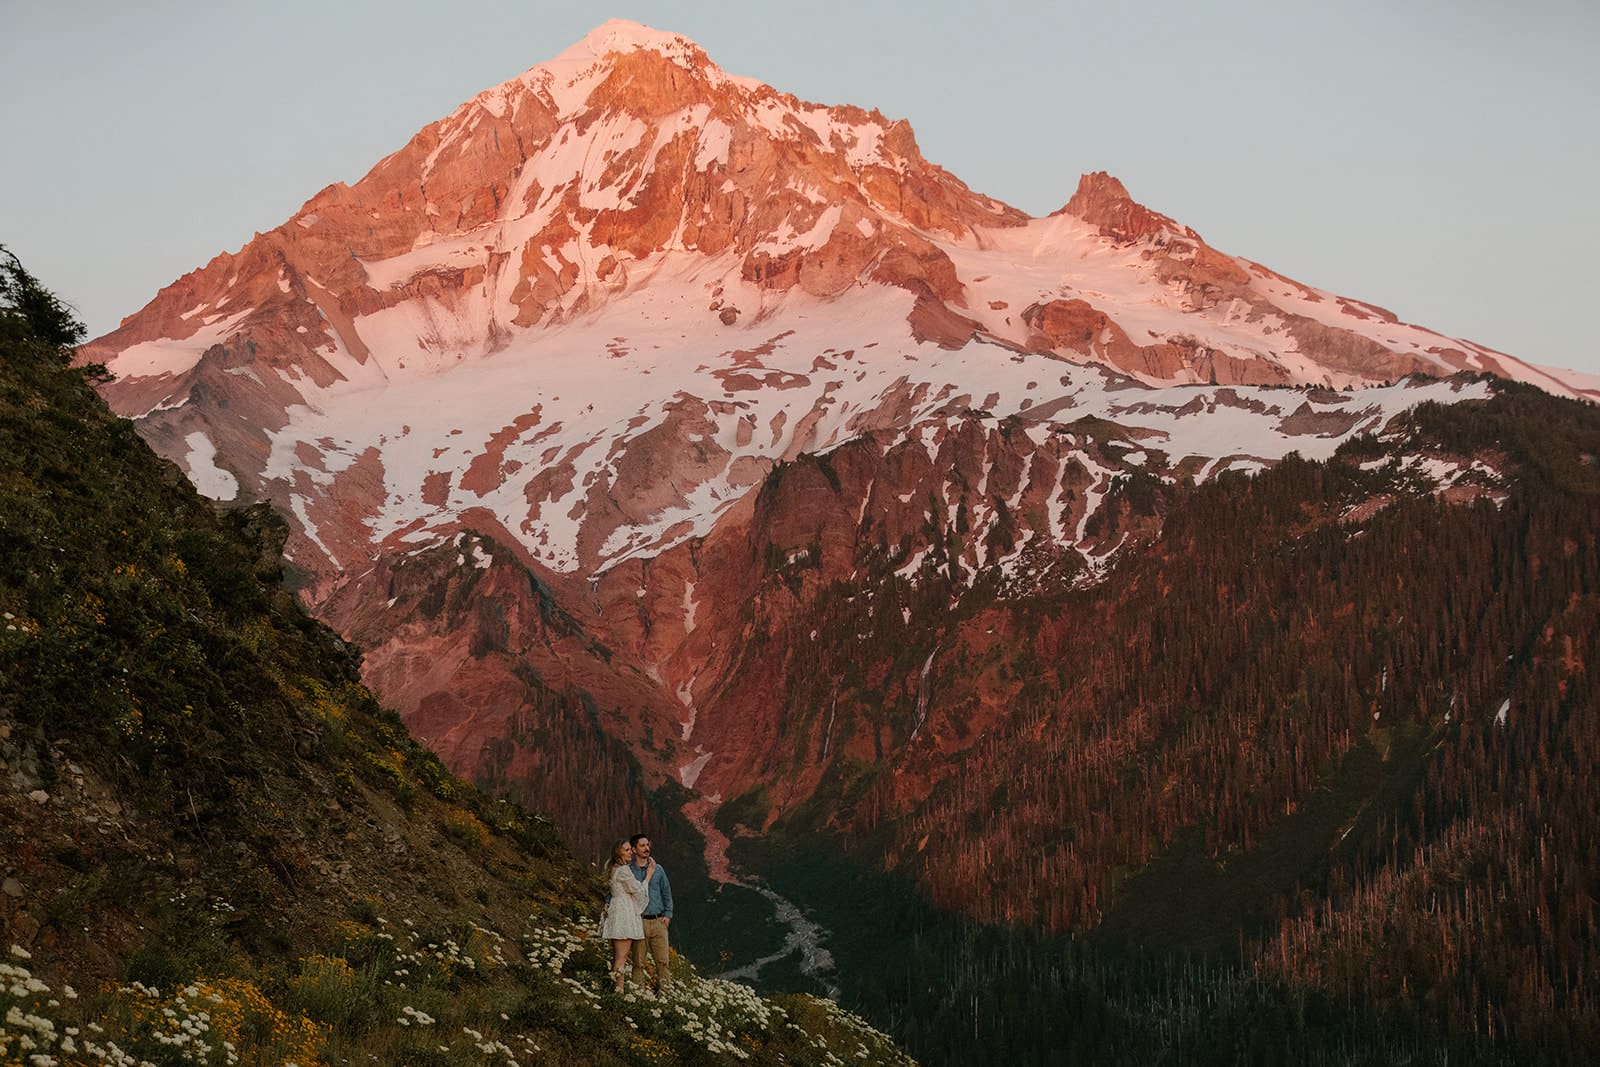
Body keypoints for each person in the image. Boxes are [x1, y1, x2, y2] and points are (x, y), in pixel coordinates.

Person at [599, 839, 652, 992]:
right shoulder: (623, 870)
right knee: (621, 958)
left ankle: (617, 988)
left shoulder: (613, 868)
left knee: (619, 957)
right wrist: (648, 877)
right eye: (627, 850)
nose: (631, 852)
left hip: (616, 910)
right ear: (619, 852)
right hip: (624, 913)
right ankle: (618, 991)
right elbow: (637, 889)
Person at [628, 833, 674, 992]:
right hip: (638, 921)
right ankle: (638, 995)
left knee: (663, 962)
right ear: (634, 849)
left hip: (658, 921)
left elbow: (666, 892)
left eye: (647, 845)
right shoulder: (628, 871)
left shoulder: (658, 869)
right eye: (642, 845)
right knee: (638, 962)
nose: (646, 848)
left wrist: (668, 915)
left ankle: (666, 995)